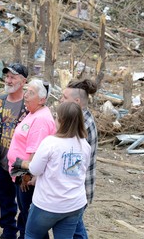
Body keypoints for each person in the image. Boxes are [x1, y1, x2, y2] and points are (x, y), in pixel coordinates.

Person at [12, 102, 91, 239]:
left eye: (56, 117)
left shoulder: (50, 143)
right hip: (74, 204)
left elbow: (35, 170)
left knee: (31, 235)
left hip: (48, 204)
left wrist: (24, 163)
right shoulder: (84, 145)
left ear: (61, 120)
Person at [0, 63, 28, 239]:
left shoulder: (29, 103)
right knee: (5, 199)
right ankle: (8, 232)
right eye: (7, 76)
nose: (8, 80)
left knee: (24, 201)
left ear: (23, 81)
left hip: (21, 163)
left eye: (13, 77)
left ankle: (24, 233)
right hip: (1, 161)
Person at [7, 79, 56, 239]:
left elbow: (35, 152)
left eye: (31, 93)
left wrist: (25, 177)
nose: (26, 95)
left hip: (27, 178)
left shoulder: (41, 119)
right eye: (26, 91)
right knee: (26, 216)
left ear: (42, 99)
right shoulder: (33, 113)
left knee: (31, 221)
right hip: (21, 173)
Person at [60, 79, 98, 239]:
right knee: (74, 228)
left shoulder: (82, 125)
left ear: (76, 101)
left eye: (64, 98)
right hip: (76, 190)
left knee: (75, 231)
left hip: (77, 190)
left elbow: (71, 163)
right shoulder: (81, 119)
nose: (61, 101)